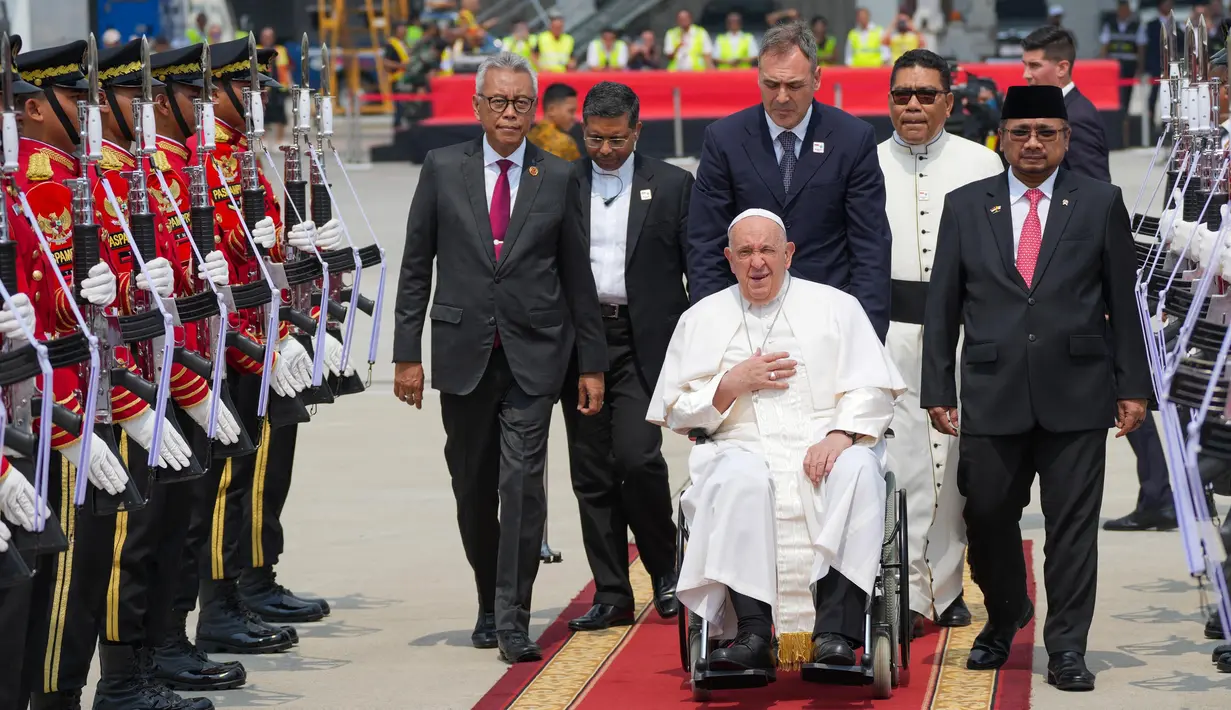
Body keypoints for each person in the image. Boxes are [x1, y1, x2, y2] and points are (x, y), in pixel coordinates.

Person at [921, 84, 1151, 692]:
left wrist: (1133, 386)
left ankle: (1068, 647)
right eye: (1020, 132)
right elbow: (943, 303)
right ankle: (1005, 615)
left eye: (1045, 132)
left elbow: (1122, 305)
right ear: (1003, 137)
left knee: (1072, 527)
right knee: (989, 514)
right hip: (991, 390)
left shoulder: (1100, 202)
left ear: (1065, 138)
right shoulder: (967, 205)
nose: (1031, 143)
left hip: (1077, 391)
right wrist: (937, 386)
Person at [393, 51, 607, 664]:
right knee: (472, 484)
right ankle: (488, 598)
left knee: (522, 486)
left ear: (532, 108)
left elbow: (577, 276)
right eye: (498, 102)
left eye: (520, 103)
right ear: (478, 106)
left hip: (535, 355)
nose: (509, 113)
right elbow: (415, 267)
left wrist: (590, 363)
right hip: (462, 353)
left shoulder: (559, 175)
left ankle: (514, 618)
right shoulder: (441, 168)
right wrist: (407, 355)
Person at [648, 209, 906, 671]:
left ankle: (836, 636)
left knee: (857, 469)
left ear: (788, 253)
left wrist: (841, 434)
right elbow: (675, 410)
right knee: (738, 477)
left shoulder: (836, 306)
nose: (757, 262)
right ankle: (752, 634)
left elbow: (873, 387)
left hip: (823, 440)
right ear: (729, 258)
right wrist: (730, 383)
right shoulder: (702, 317)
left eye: (767, 249)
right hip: (738, 444)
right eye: (745, 252)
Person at [1023, 25, 1174, 532]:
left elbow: (1095, 201)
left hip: (1087, 281)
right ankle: (1160, 492)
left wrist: (1100, 283)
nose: (1026, 74)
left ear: (1062, 67)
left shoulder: (1077, 118)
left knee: (1123, 387)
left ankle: (1160, 493)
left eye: (1035, 66)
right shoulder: (1067, 113)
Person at [877, 49, 1004, 636]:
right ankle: (898, 588)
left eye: (927, 94)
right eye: (903, 94)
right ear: (889, 100)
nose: (914, 105)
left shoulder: (982, 164)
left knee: (953, 469)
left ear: (949, 102)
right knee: (895, 464)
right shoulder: (867, 162)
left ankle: (949, 587)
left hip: (960, 334)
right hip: (887, 334)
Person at [561, 82, 692, 632]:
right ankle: (612, 592)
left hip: (646, 343)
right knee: (592, 472)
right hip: (581, 342)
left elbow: (698, 270)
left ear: (637, 131)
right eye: (595, 138)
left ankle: (666, 573)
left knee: (637, 459)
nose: (606, 150)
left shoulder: (674, 185)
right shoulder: (564, 185)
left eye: (617, 139)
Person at [688, 21, 891, 340]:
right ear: (758, 77)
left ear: (817, 78)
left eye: (794, 86)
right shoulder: (723, 140)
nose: (782, 98)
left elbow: (870, 245)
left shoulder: (852, 139)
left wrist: (867, 333)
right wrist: (711, 330)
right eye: (771, 85)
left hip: (829, 321)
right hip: (745, 322)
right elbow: (706, 244)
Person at [1099, 1, 1147, 123]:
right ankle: (1114, 117)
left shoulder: (1136, 26)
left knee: (1126, 95)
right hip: (1113, 67)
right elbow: (1105, 46)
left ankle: (1124, 117)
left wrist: (1140, 68)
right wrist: (1104, 65)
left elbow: (1141, 48)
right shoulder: (1110, 25)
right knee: (1113, 95)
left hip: (1129, 66)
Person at [527, 82, 580, 161]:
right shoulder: (565, 143)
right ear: (551, 109)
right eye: (571, 111)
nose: (574, 117)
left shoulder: (528, 137)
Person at [258, 27, 291, 145]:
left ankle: (279, 140)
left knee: (281, 115)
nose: (267, 39)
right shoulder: (257, 50)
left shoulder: (281, 50)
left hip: (279, 86)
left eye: (269, 36)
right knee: (262, 114)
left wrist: (290, 84)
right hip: (263, 87)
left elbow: (286, 68)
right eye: (265, 36)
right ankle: (263, 140)